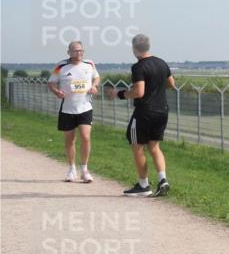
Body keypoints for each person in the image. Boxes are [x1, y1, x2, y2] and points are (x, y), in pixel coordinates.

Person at [114, 34, 175, 197]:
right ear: (148, 46)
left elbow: (138, 92)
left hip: (144, 112)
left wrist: (120, 94)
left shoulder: (138, 67)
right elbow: (171, 84)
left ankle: (143, 185)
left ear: (134, 48)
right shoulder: (162, 62)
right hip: (162, 110)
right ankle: (163, 179)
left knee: (138, 146)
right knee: (154, 146)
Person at [47, 41, 100, 182]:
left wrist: (94, 86)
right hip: (68, 109)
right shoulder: (61, 66)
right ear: (69, 52)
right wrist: (57, 92)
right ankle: (71, 169)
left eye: (81, 50)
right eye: (76, 51)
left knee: (86, 137)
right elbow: (51, 83)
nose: (79, 53)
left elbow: (96, 77)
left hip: (85, 107)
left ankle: (84, 170)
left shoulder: (89, 64)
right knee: (70, 140)